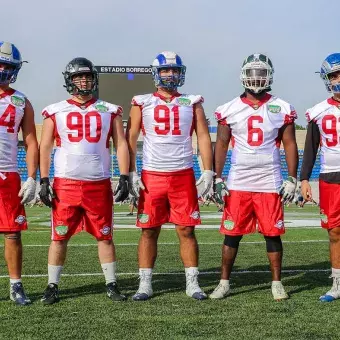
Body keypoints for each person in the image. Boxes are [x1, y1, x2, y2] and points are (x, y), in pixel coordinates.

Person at [39, 57, 129, 304]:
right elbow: (45, 146)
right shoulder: (55, 110)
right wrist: (43, 179)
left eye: (88, 76)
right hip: (66, 183)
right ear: (69, 80)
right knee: (59, 236)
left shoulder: (109, 110)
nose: (84, 81)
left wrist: (124, 175)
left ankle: (111, 284)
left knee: (105, 235)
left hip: (98, 182)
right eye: (79, 77)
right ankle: (52, 285)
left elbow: (120, 143)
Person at [126, 51, 214, 301]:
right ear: (156, 73)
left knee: (186, 230)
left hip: (183, 174)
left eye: (175, 70)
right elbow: (130, 138)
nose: (171, 75)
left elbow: (203, 136)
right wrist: (130, 171)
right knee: (148, 231)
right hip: (152, 174)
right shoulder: (142, 102)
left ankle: (193, 283)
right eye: (166, 70)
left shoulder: (192, 101)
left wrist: (208, 170)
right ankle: (145, 284)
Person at [211, 53, 298, 301]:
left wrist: (291, 178)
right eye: (253, 72)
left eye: (261, 73)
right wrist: (217, 177)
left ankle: (276, 283)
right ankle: (224, 282)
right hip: (239, 180)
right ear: (244, 75)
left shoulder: (282, 107)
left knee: (273, 233)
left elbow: (290, 144)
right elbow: (222, 144)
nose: (257, 77)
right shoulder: (229, 109)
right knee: (232, 233)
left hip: (269, 180)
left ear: (269, 75)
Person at [0, 41, 38, 305]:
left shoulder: (21, 100)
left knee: (12, 232)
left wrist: (32, 176)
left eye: (8, 67)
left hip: (7, 173)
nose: (3, 71)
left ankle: (16, 285)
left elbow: (32, 140)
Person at [300, 53, 340, 302]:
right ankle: (337, 284)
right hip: (330, 176)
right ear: (327, 79)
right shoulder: (318, 111)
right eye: (334, 75)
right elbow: (311, 148)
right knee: (335, 232)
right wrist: (304, 179)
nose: (339, 80)